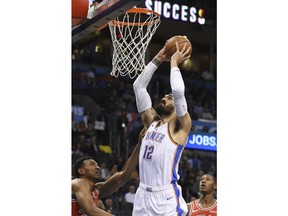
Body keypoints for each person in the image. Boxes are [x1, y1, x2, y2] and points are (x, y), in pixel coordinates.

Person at [132, 39, 192, 216]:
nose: (165, 97)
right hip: (142, 194)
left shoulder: (180, 127)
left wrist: (174, 63)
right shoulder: (152, 122)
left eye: (169, 97)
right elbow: (139, 86)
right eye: (165, 96)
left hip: (165, 197)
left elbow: (179, 92)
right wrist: (159, 57)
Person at [72, 128, 145, 216]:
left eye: (97, 165)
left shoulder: (96, 190)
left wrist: (139, 145)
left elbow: (122, 177)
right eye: (92, 164)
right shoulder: (77, 183)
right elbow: (91, 211)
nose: (98, 167)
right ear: (81, 170)